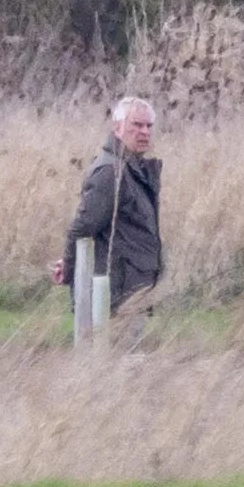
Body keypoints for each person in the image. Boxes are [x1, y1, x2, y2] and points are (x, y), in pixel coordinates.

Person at [52, 96, 163, 329]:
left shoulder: (133, 169)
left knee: (129, 359)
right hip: (114, 293)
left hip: (132, 287)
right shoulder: (110, 172)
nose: (144, 132)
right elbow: (82, 228)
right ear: (118, 127)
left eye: (148, 126)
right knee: (114, 358)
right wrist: (72, 269)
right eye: (136, 125)